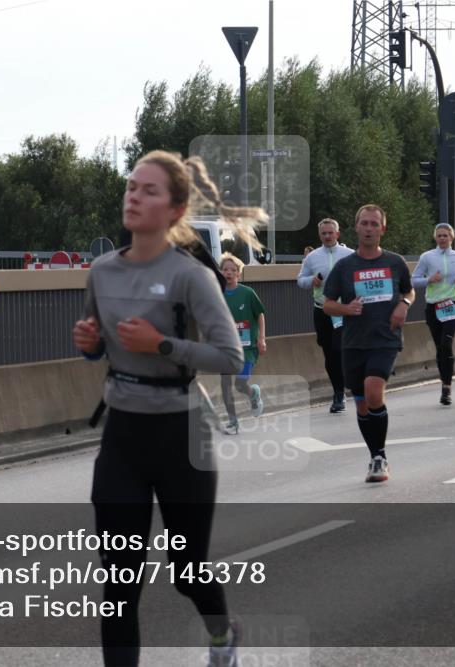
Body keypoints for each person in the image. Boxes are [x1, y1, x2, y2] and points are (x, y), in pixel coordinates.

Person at [73, 150, 258, 666]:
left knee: (188, 569)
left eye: (148, 190)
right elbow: (100, 345)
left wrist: (162, 344)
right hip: (123, 436)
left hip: (182, 435)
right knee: (119, 580)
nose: (134, 196)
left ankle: (223, 633)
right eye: (132, 186)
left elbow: (229, 356)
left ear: (175, 210)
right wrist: (88, 342)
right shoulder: (102, 272)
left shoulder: (190, 277)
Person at [323, 204, 414, 483]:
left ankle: (380, 457)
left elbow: (409, 289)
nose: (369, 229)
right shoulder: (344, 266)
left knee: (374, 392)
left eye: (375, 224)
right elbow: (326, 304)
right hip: (353, 342)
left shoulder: (394, 262)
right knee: (362, 404)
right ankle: (375, 455)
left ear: (383, 229)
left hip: (385, 339)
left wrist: (405, 304)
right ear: (356, 227)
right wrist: (345, 310)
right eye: (365, 223)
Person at [411, 223, 455, 405]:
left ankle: (447, 388)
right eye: (439, 236)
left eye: (445, 236)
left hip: (452, 303)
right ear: (435, 238)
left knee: (447, 343)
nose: (442, 239)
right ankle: (444, 381)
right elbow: (414, 280)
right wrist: (429, 280)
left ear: (451, 237)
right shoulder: (427, 257)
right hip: (433, 305)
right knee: (440, 347)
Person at [297, 218, 354, 413]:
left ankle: (342, 389)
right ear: (319, 235)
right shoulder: (312, 257)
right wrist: (311, 281)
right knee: (329, 353)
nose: (327, 236)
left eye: (331, 233)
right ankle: (339, 392)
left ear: (337, 234)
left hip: (343, 310)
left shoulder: (349, 255)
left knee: (339, 350)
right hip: (321, 310)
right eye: (324, 233)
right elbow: (300, 280)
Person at [218, 252, 266, 434]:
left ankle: (252, 394)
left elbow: (260, 315)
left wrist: (261, 338)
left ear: (239, 273)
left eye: (233, 270)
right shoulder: (217, 294)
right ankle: (233, 420)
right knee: (225, 384)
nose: (228, 273)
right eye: (225, 269)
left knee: (240, 384)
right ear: (220, 272)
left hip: (247, 347)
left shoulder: (247, 293)